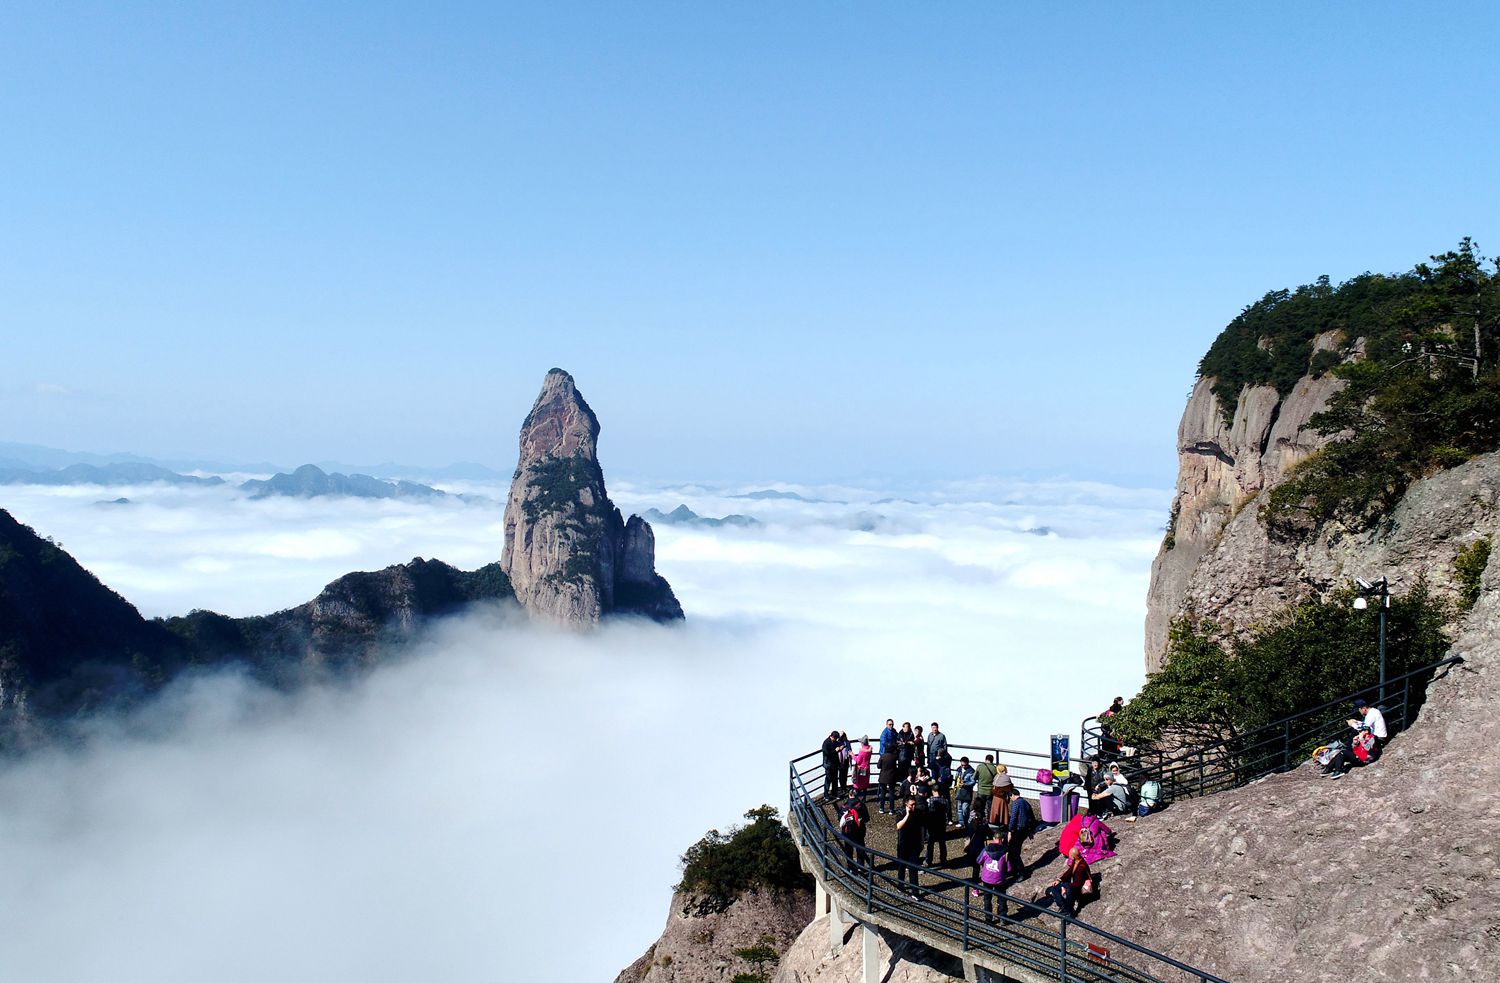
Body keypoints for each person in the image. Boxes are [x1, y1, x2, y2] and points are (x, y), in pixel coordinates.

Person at [1035, 845, 1090, 918]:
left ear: (1073, 856)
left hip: (1077, 888)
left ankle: (1067, 911)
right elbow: (1069, 872)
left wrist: (1064, 887)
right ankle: (1063, 906)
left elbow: (1078, 884)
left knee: (1067, 891)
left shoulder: (1081, 868)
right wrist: (1059, 880)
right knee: (1054, 888)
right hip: (1073, 885)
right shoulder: (1077, 861)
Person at [1003, 786, 1035, 885]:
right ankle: (1015, 870)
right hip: (1025, 830)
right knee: (1014, 851)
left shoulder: (1016, 803)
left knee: (1014, 852)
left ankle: (1021, 872)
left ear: (1012, 795)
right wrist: (1031, 830)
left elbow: (1013, 818)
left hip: (1018, 830)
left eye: (1010, 797)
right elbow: (1032, 817)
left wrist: (1010, 831)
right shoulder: (1026, 802)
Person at [895, 796, 925, 898]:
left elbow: (921, 828)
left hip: (915, 845)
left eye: (914, 804)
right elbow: (898, 826)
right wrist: (907, 815)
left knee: (913, 868)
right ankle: (900, 885)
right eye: (911, 805)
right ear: (906, 805)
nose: (914, 806)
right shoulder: (901, 813)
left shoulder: (918, 813)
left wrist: (921, 842)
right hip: (903, 844)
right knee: (901, 866)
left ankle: (915, 891)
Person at [976, 829, 1007, 923]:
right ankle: (1003, 917)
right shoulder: (1005, 852)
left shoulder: (986, 850)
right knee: (1001, 898)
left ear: (994, 839)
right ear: (1002, 840)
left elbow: (978, 860)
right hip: (999, 878)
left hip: (987, 877)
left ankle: (988, 918)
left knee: (987, 898)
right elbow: (1009, 868)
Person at [839, 794, 871, 867]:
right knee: (860, 849)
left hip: (847, 832)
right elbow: (867, 819)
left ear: (849, 796)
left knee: (848, 850)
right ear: (857, 796)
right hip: (859, 831)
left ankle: (850, 867)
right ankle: (861, 867)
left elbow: (840, 820)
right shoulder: (861, 806)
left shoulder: (843, 807)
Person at [924, 785, 950, 865]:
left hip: (932, 824)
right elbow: (947, 810)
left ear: (933, 791)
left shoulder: (929, 800)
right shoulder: (945, 801)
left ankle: (928, 860)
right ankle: (943, 859)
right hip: (941, 824)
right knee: (942, 843)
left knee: (930, 844)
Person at [954, 756, 977, 827]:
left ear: (967, 763)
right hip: (959, 791)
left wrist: (965, 784)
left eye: (964, 765)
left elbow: (973, 782)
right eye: (962, 765)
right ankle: (961, 823)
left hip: (967, 792)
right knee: (959, 808)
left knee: (965, 809)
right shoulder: (958, 770)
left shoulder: (971, 771)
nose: (963, 766)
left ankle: (966, 822)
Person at [877, 743, 899, 814]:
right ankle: (891, 809)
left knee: (883, 793)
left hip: (883, 777)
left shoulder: (883, 756)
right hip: (892, 777)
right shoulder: (894, 757)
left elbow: (878, 766)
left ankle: (881, 808)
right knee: (891, 793)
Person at [821, 730, 842, 799]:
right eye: (836, 738)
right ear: (832, 737)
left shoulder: (834, 742)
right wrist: (835, 750)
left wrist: (840, 748)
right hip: (829, 764)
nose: (836, 740)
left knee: (835, 779)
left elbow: (838, 745)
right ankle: (826, 795)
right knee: (828, 779)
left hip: (834, 764)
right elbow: (827, 753)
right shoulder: (826, 743)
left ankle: (834, 793)